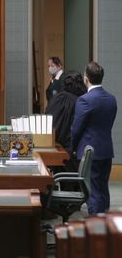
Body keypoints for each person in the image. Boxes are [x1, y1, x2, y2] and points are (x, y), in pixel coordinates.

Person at [71, 61, 117, 214]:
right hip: (106, 149)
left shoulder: (84, 100)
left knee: (93, 191)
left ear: (86, 79)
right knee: (103, 189)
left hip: (90, 151)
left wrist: (73, 147)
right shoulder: (111, 99)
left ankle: (95, 229)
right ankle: (106, 226)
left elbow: (77, 129)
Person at [45, 70, 86, 171]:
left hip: (55, 150)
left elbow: (49, 121)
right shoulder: (81, 101)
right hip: (73, 153)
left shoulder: (56, 98)